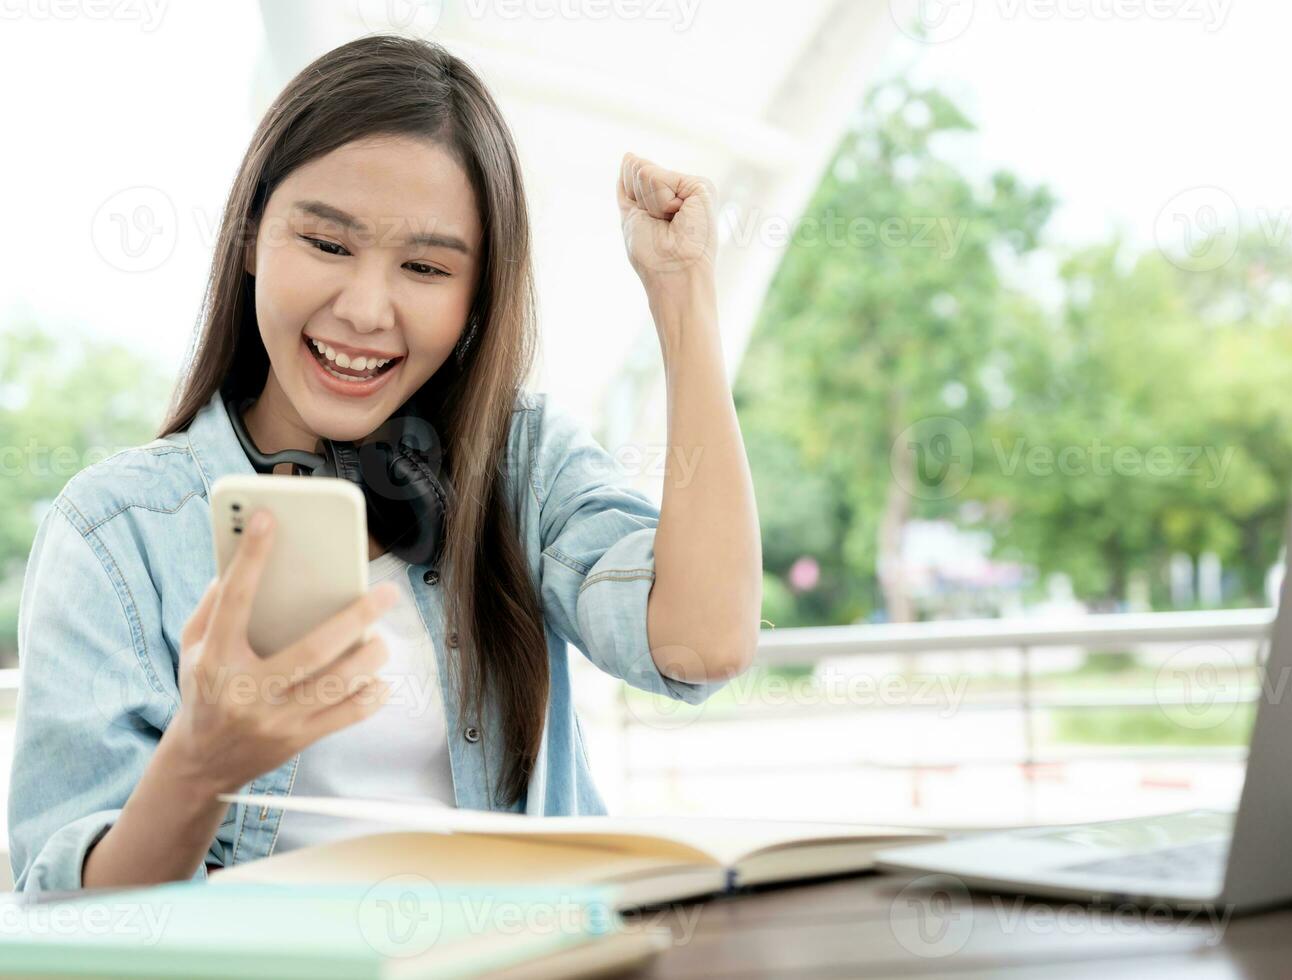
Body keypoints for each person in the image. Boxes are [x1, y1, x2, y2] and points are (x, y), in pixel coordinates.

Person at [8, 33, 762, 893]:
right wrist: (200, 764)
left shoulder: (518, 467)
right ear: (252, 238)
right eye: (328, 246)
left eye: (425, 267)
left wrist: (682, 292)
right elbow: (68, 922)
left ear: (476, 298)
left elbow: (703, 643)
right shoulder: (115, 534)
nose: (366, 309)